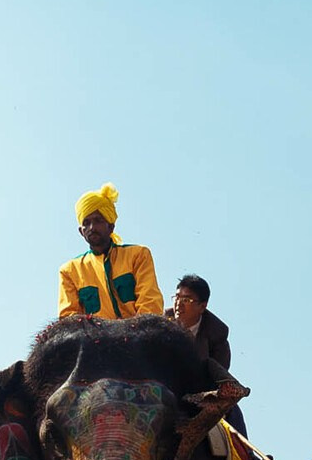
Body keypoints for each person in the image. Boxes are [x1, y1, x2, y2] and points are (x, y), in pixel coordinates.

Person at [57, 183, 163, 320]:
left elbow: (150, 305)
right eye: (86, 223)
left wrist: (136, 331)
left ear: (111, 226)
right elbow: (69, 318)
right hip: (95, 334)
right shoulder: (70, 271)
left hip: (139, 332)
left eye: (98, 220)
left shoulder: (137, 255)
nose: (92, 227)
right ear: (81, 232)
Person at [168, 274, 246, 434]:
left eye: (186, 300)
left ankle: (244, 449)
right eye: (176, 297)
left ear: (202, 306)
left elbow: (219, 371)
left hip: (199, 392)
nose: (178, 304)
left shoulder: (217, 333)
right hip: (165, 388)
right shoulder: (161, 323)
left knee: (233, 410)